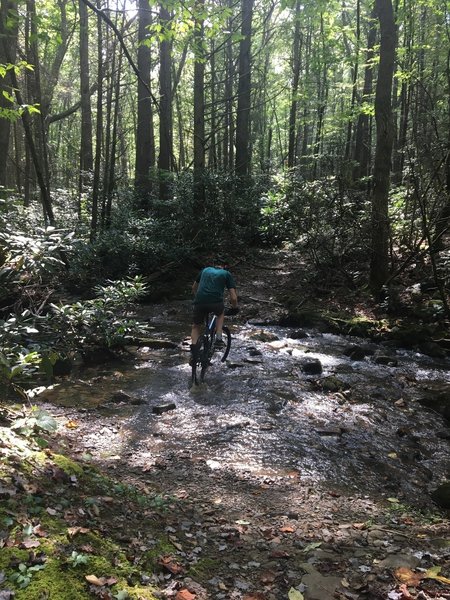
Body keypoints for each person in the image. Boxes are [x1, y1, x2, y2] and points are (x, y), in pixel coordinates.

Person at [190, 258, 238, 355]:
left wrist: (198, 299)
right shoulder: (226, 274)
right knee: (220, 313)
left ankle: (194, 354)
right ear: (225, 266)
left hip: (199, 302)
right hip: (216, 303)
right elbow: (233, 297)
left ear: (213, 264)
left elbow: (193, 288)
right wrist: (235, 308)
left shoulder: (205, 270)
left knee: (196, 326)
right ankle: (218, 339)